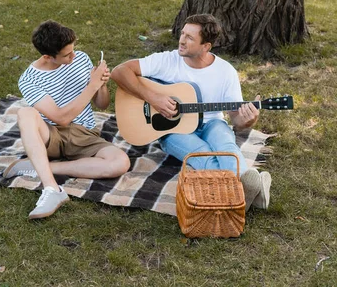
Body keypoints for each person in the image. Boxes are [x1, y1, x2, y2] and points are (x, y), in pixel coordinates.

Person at [111, 13, 271, 211]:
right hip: (174, 130)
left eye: (189, 37)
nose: (181, 40)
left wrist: (248, 121)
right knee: (203, 155)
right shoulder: (167, 60)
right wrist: (153, 98)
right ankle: (247, 193)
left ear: (206, 47)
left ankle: (241, 194)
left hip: (213, 124)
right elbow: (119, 71)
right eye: (182, 33)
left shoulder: (225, 71)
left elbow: (237, 121)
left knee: (227, 147)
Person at [3, 20, 130, 219]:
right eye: (66, 55)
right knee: (25, 113)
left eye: (73, 50)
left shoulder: (81, 59)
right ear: (47, 56)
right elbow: (61, 119)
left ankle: (37, 166)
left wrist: (100, 84)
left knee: (120, 162)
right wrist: (91, 86)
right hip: (51, 134)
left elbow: (102, 104)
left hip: (84, 133)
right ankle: (52, 189)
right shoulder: (29, 80)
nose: (73, 56)